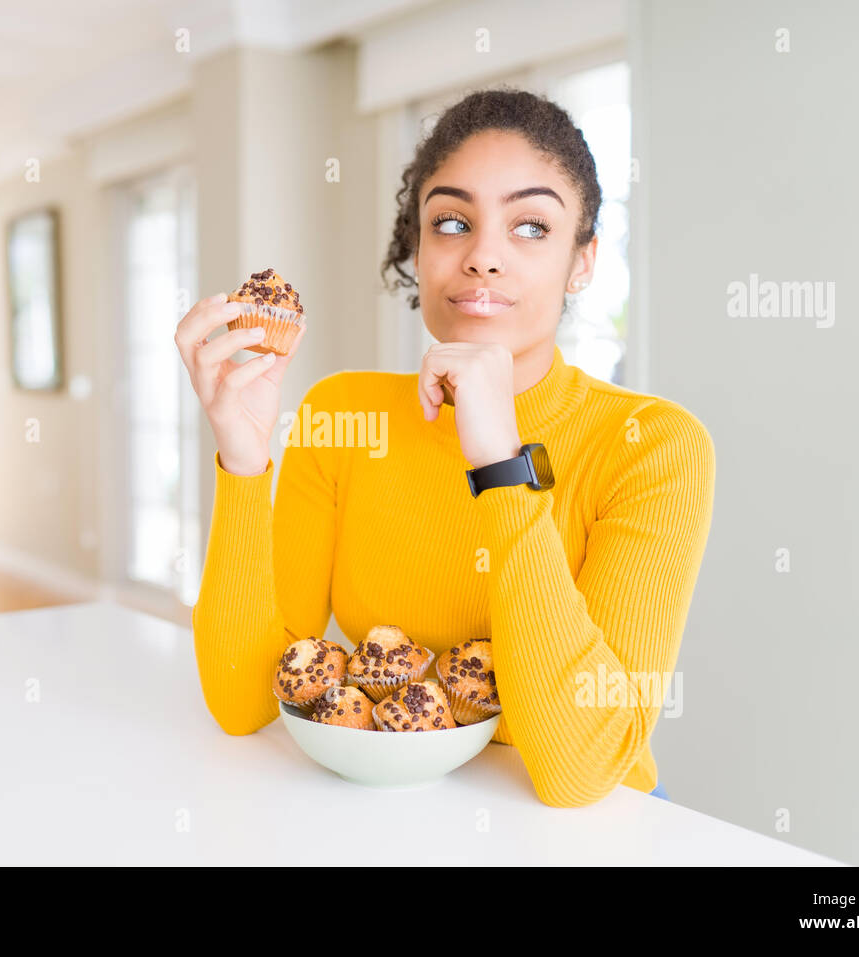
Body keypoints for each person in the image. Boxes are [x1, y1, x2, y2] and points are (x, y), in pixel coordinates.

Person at [174, 87, 713, 807]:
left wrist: (499, 460)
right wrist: (243, 462)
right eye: (452, 221)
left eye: (530, 227)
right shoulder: (343, 412)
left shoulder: (653, 447)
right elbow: (244, 701)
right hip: (390, 813)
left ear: (581, 264)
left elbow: (579, 769)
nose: (483, 256)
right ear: (419, 249)